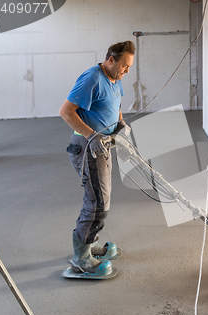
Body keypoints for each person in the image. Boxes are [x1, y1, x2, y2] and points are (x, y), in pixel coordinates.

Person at [59, 41, 135, 279]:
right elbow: (65, 111)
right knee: (97, 203)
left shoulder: (115, 78)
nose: (127, 71)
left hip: (103, 146)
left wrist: (120, 125)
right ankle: (80, 260)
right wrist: (92, 136)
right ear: (110, 60)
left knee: (101, 198)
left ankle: (88, 244)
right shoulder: (92, 78)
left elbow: (116, 105)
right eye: (124, 66)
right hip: (88, 148)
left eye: (129, 66)